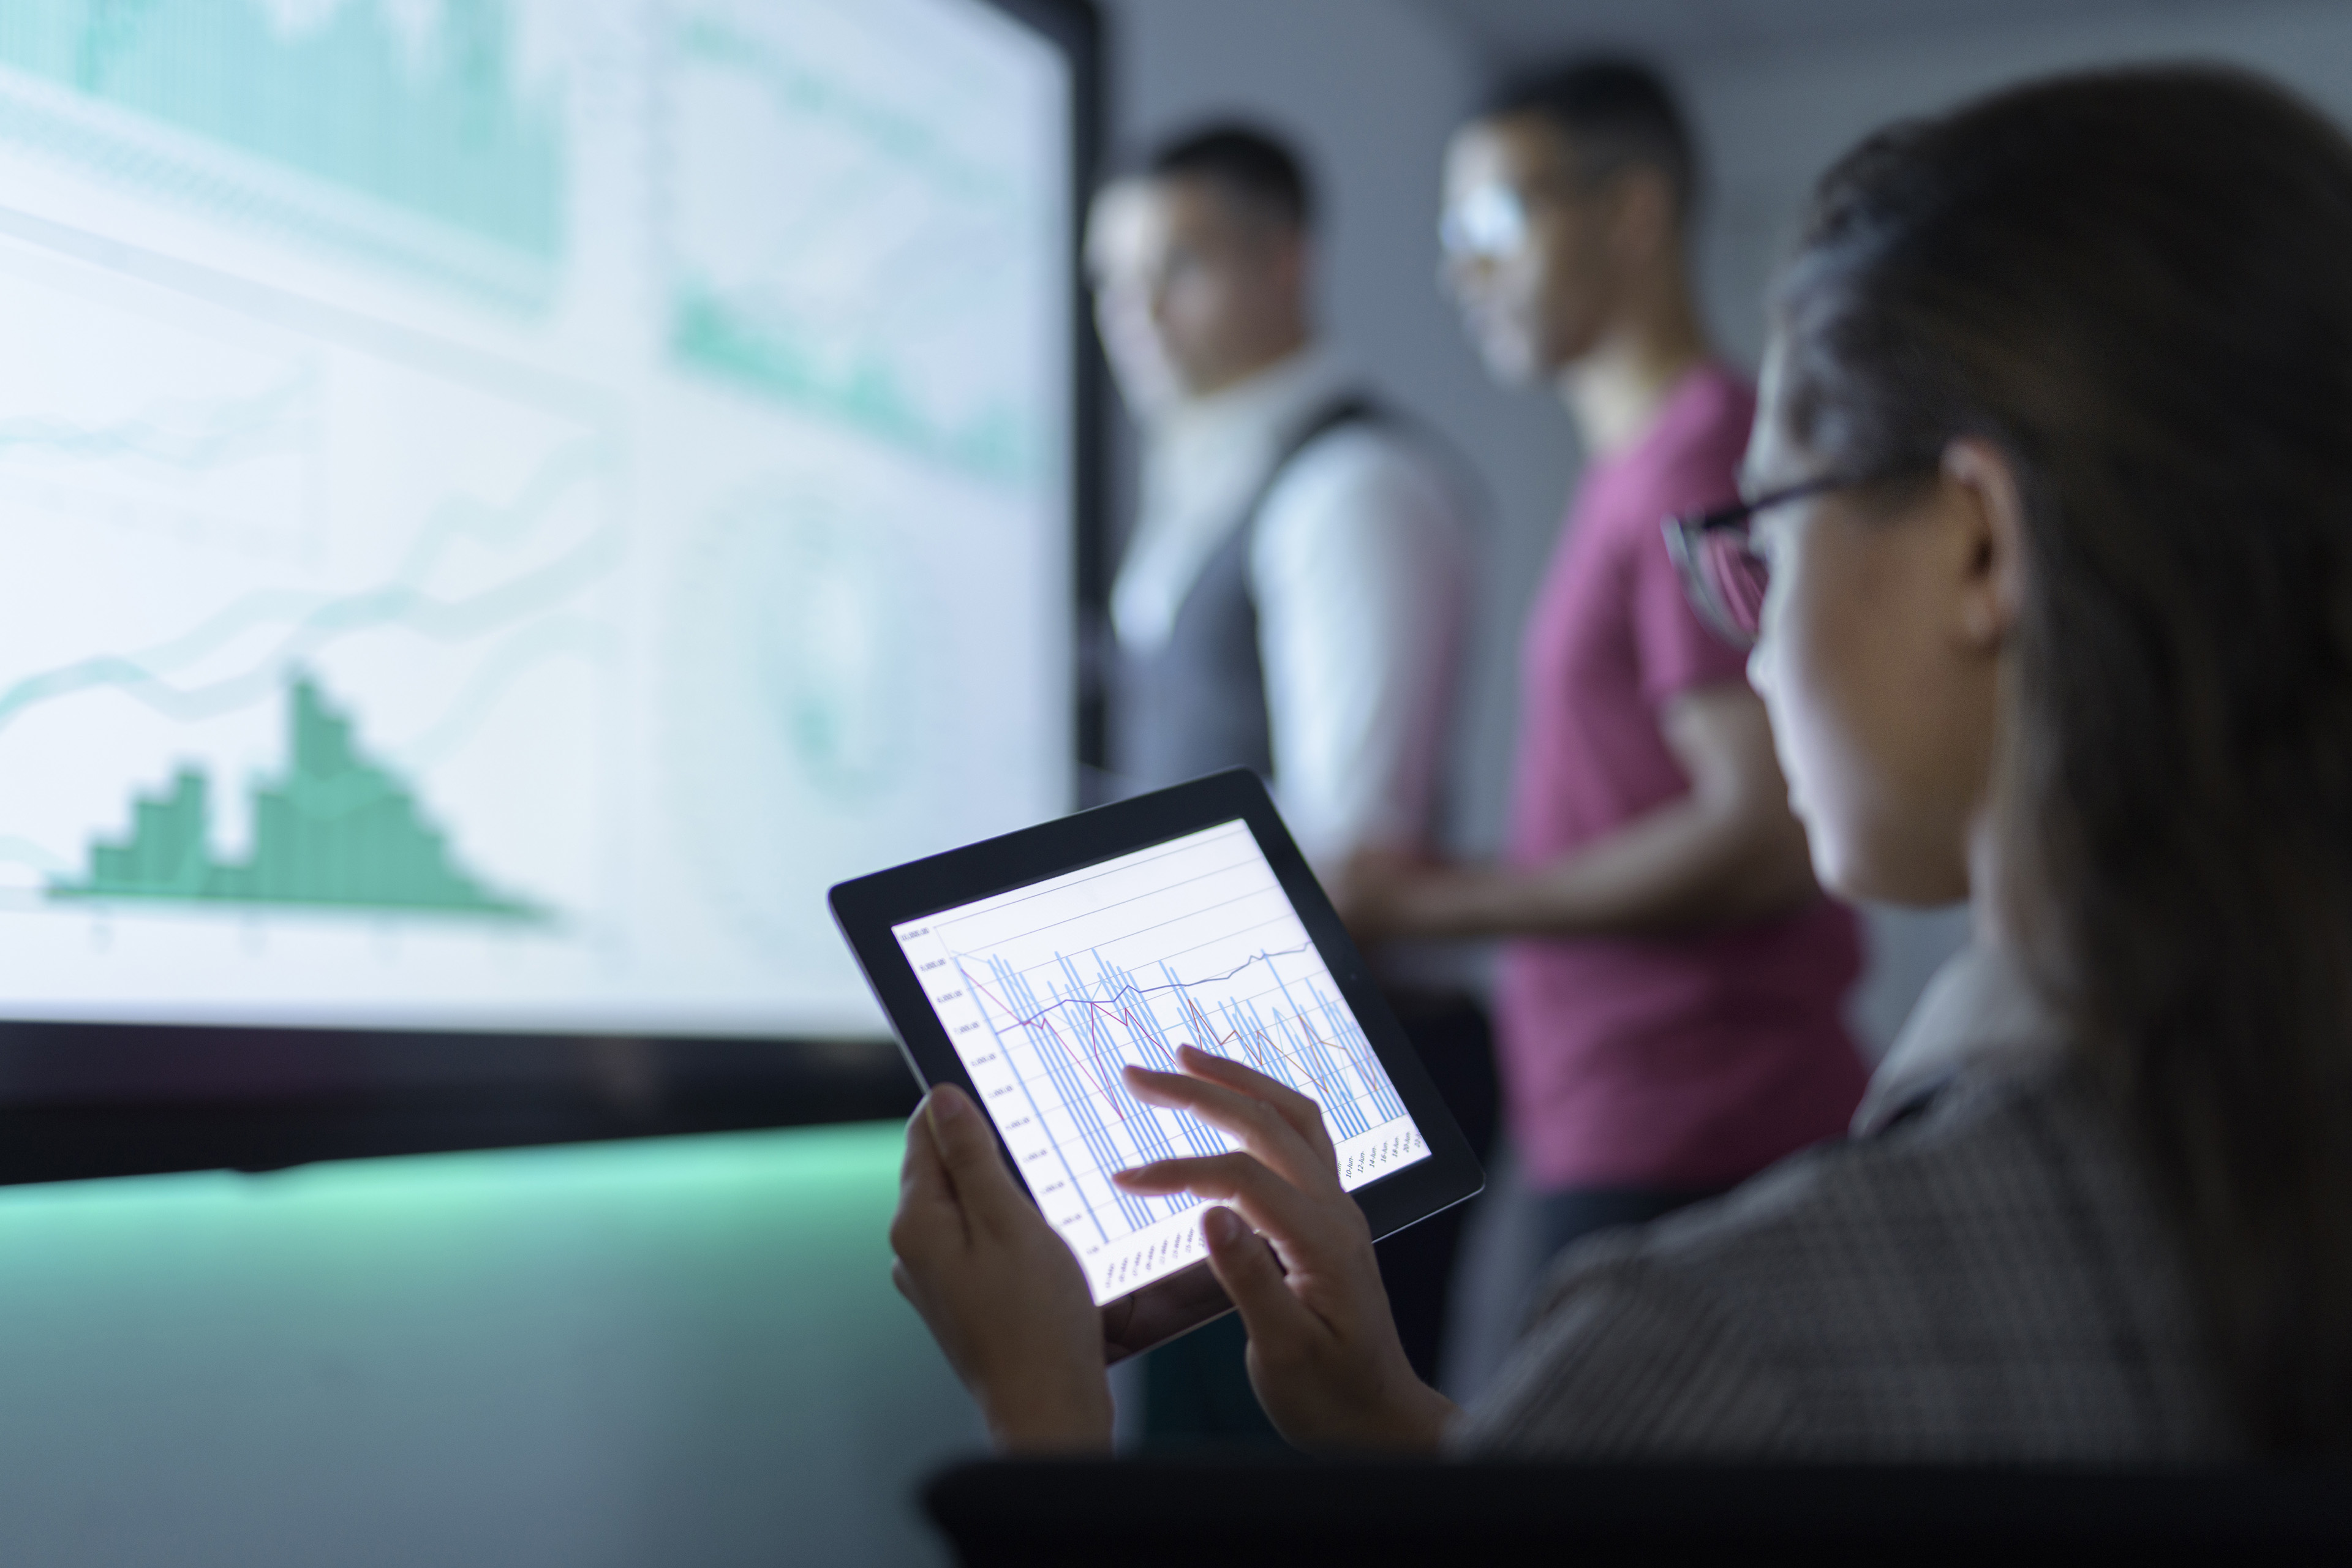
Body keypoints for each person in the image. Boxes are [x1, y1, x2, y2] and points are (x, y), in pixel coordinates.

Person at [890, 64, 2352, 1460]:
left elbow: (1694, 1442)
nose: (1758, 641)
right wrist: (1400, 1420)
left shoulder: (1719, 1337)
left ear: (1978, 544)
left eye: (1764, 535)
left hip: (1668, 1102)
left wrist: (1042, 1416)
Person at [1340, 61, 1866, 1266]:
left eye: (1493, 225)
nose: (1459, 272)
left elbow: (1764, 832)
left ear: (1631, 211)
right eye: (1448, 236)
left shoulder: (1696, 463)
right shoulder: (1641, 466)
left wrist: (1433, 899)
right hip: (1630, 1120)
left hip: (1697, 1129)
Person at [1083, 124, 1488, 1438]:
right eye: (1109, 278)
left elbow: (1351, 849)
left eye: (1178, 265)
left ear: (1286, 263)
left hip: (1332, 1094)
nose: (1134, 311)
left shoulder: (1352, 483)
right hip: (1242, 1086)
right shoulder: (1211, 480)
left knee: (1277, 1487)